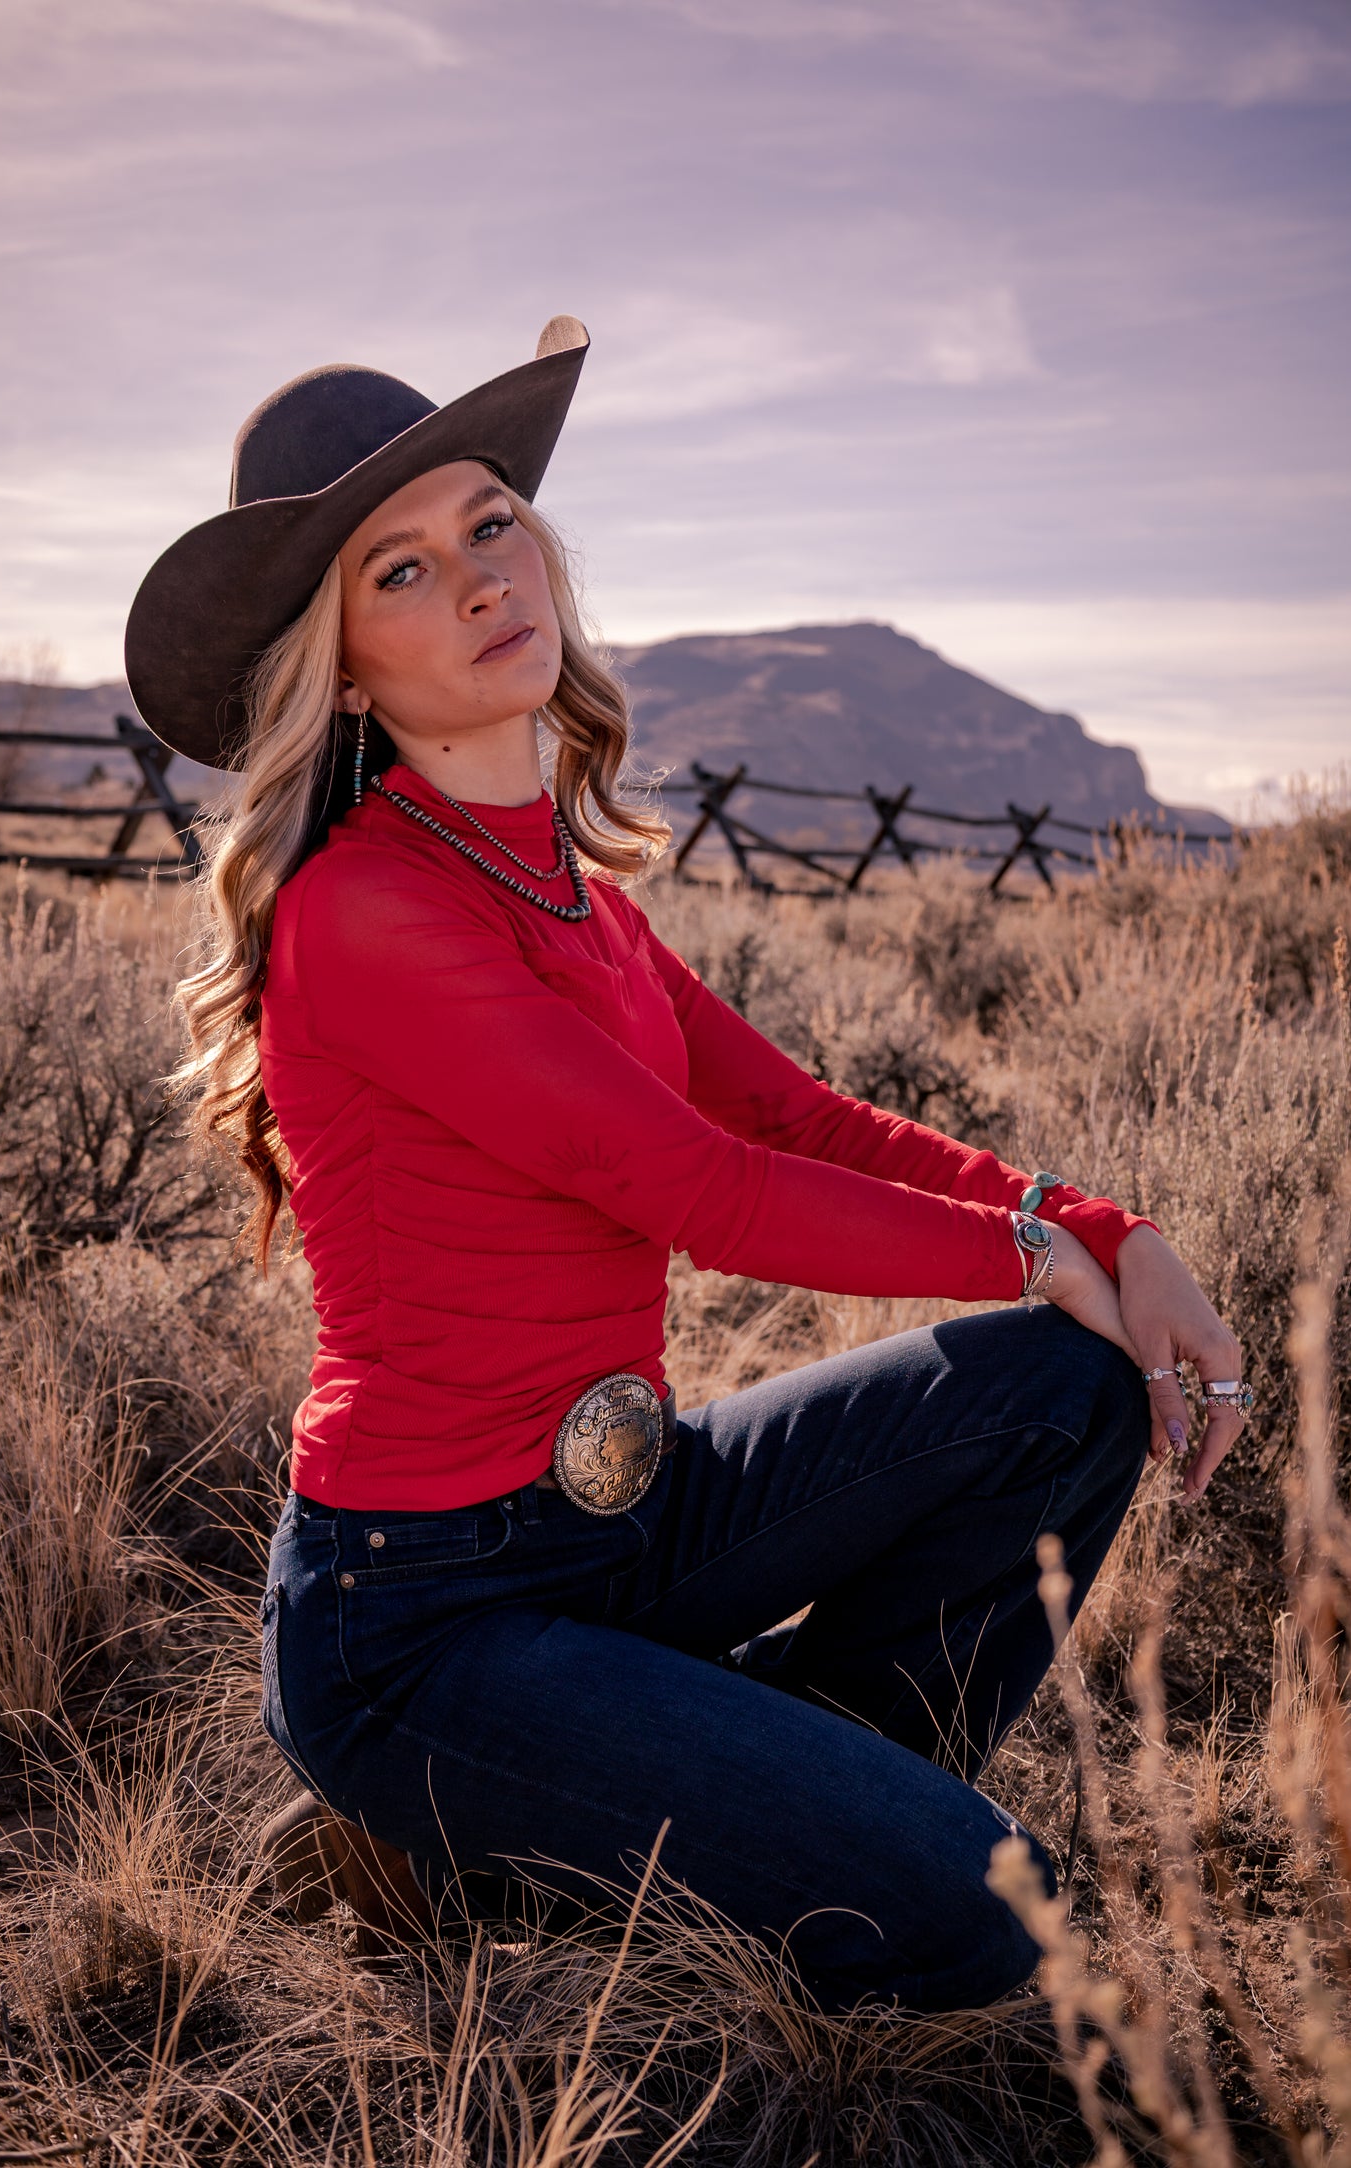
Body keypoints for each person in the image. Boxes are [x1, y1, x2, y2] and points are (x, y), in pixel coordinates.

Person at [126, 317, 1250, 2012]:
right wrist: (1030, 1256)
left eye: (491, 522)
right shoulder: (364, 909)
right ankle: (499, 1815)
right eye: (404, 570)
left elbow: (791, 1115)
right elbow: (694, 1186)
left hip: (627, 1518)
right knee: (975, 1917)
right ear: (341, 666)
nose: (483, 579)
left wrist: (1095, 1224)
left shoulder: (576, 893)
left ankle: (664, 1795)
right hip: (425, 1612)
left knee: (1064, 1394)